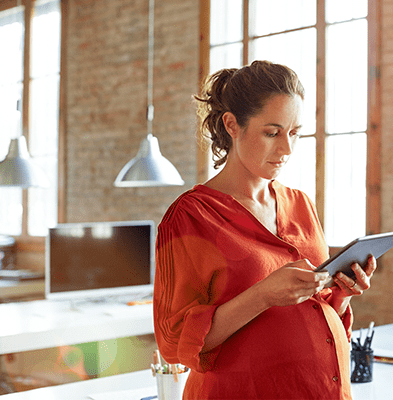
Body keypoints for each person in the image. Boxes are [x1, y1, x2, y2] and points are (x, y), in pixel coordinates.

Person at [153, 60, 376, 399]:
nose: (287, 149)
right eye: (272, 133)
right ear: (232, 125)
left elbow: (317, 306)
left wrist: (342, 293)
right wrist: (262, 295)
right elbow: (173, 341)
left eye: (295, 133)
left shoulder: (301, 203)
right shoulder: (190, 216)